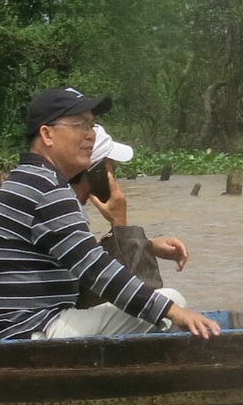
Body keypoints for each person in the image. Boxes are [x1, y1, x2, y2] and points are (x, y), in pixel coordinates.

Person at [0, 87, 223, 342]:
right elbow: (97, 270)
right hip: (25, 332)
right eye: (79, 125)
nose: (90, 135)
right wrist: (176, 313)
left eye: (92, 125)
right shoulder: (49, 190)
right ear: (47, 135)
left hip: (17, 327)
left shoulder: (29, 180)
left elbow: (81, 254)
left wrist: (146, 245)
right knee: (171, 302)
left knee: (161, 306)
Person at [69, 125, 190, 292]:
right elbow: (142, 291)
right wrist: (120, 223)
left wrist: (146, 245)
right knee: (168, 297)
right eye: (112, 167)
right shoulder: (67, 208)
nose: (115, 175)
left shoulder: (67, 201)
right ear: (97, 171)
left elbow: (86, 254)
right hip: (58, 311)